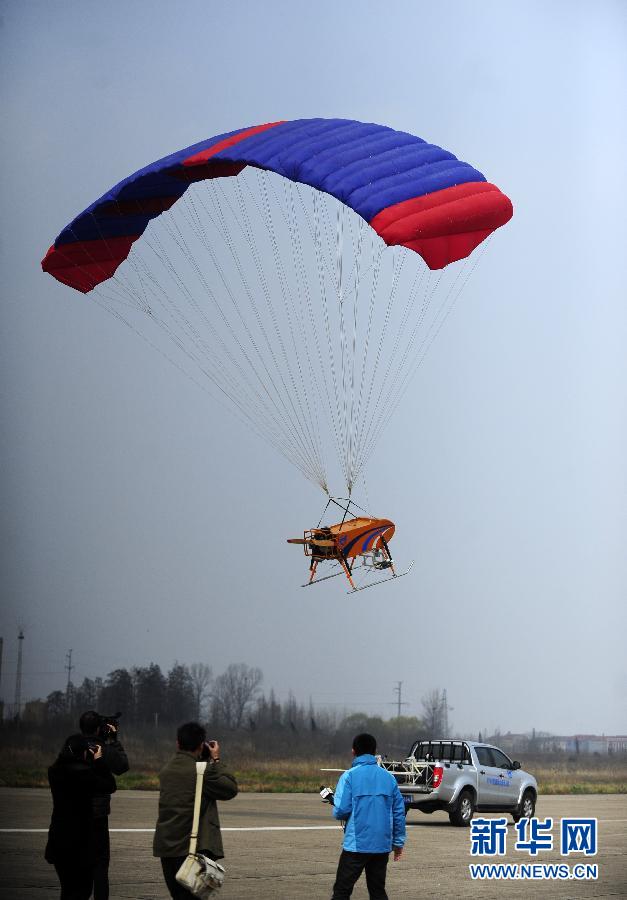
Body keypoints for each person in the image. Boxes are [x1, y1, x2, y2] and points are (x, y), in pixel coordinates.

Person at [154, 721, 238, 900]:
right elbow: (230, 788)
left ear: (178, 743)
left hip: (166, 848)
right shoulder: (202, 773)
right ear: (201, 745)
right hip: (191, 850)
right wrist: (215, 760)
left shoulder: (166, 770)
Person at [329, 732, 406, 900]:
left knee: (342, 890)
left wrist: (335, 804)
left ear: (353, 751)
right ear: (374, 751)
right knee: (377, 891)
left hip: (356, 845)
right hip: (381, 845)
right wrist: (398, 843)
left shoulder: (349, 776)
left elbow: (340, 811)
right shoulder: (389, 778)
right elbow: (399, 813)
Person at [45, 733, 117, 900]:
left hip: (59, 839)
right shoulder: (85, 775)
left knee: (67, 890)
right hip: (81, 843)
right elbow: (109, 785)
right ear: (84, 753)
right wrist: (98, 761)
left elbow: (64, 762)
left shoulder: (54, 772)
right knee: (83, 890)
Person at [79, 710, 129, 900]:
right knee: (100, 864)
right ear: (100, 728)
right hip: (98, 816)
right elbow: (122, 766)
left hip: (73, 814)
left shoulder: (72, 747)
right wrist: (113, 740)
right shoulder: (103, 749)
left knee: (79, 866)